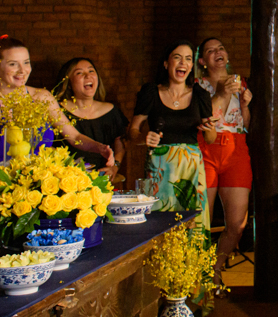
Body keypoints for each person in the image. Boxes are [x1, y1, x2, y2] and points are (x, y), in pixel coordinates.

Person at [0, 37, 115, 181]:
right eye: (13, 64)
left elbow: (74, 137)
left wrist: (100, 147)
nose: (22, 70)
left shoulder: (42, 97)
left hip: (40, 183)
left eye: (26, 62)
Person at [131, 41, 217, 219]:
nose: (183, 63)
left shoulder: (200, 94)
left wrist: (209, 129)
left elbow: (210, 138)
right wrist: (144, 137)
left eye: (188, 59)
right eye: (177, 58)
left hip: (190, 167)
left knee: (190, 221)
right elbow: (132, 131)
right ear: (166, 63)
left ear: (192, 66)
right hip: (159, 167)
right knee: (158, 220)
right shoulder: (151, 92)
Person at [193, 37, 253, 288]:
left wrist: (246, 105)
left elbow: (244, 123)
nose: (218, 52)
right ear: (202, 61)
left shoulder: (240, 82)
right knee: (201, 221)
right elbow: (203, 116)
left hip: (236, 148)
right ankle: (199, 275)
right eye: (211, 50)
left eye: (221, 48)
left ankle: (216, 267)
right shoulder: (197, 86)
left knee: (238, 224)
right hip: (206, 148)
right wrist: (222, 93)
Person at [56, 57, 128, 182]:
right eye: (79, 73)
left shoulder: (111, 110)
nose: (87, 75)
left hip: (100, 178)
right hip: (65, 180)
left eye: (91, 71)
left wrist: (115, 166)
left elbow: (120, 141)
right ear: (68, 83)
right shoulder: (57, 110)